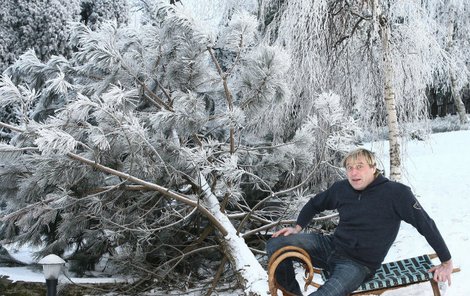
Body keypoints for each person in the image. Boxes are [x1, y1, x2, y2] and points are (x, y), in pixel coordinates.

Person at [266, 148, 453, 296]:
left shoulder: (397, 194)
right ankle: (291, 293)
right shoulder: (342, 189)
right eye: (349, 168)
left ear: (373, 168)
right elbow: (315, 204)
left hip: (357, 264)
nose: (353, 173)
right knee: (276, 243)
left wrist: (446, 261)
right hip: (330, 246)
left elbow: (425, 224)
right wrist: (297, 227)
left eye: (360, 166)